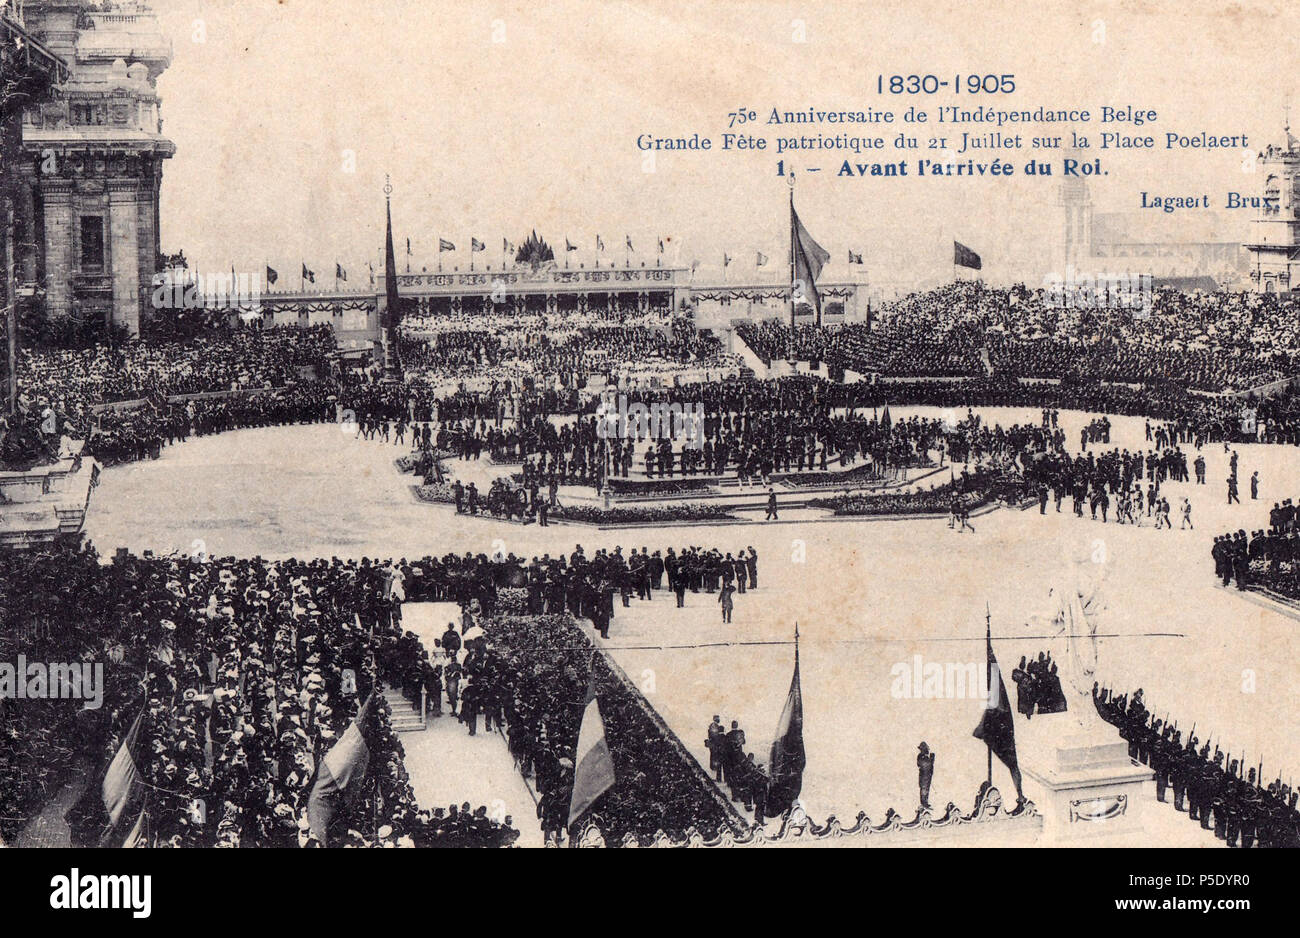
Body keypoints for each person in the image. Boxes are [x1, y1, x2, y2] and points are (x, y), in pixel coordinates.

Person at [706, 715, 726, 781]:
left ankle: (718, 777)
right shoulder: (714, 726)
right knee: (716, 761)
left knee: (717, 762)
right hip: (715, 746)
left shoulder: (714, 725)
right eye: (718, 718)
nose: (719, 719)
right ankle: (717, 777)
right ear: (715, 719)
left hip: (716, 746)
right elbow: (713, 736)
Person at [917, 742, 935, 810]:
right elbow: (922, 764)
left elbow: (930, 766)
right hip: (924, 775)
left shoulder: (925, 756)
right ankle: (923, 803)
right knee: (924, 789)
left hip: (927, 775)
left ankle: (926, 802)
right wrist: (931, 760)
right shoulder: (921, 756)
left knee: (927, 788)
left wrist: (931, 760)